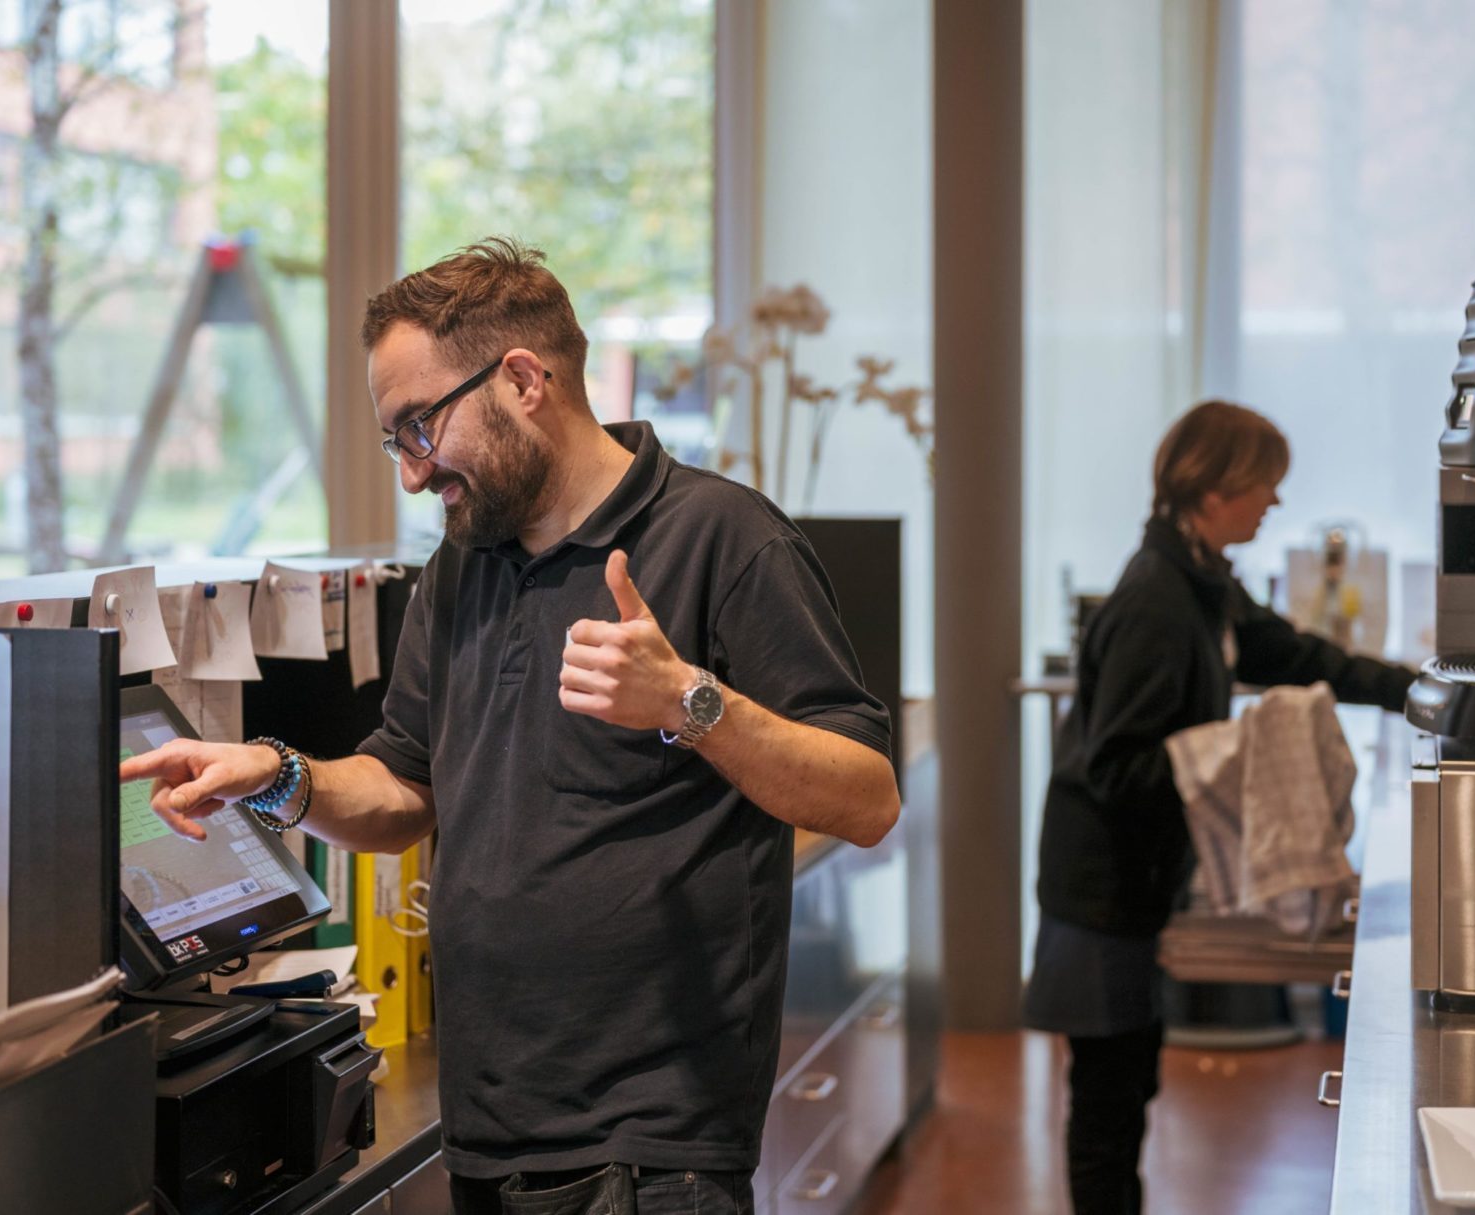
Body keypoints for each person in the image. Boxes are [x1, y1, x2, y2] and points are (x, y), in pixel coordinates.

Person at [120, 237, 900, 1215]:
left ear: (524, 380)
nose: (411, 475)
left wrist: (693, 705)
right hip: (490, 1128)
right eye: (392, 442)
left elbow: (868, 798)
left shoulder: (725, 541)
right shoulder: (463, 568)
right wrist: (275, 777)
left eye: (418, 428)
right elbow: (405, 787)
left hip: (655, 1151)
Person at [1021, 400, 1415, 1215]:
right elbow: (1119, 767)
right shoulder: (1157, 603)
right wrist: (1231, 762)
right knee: (1108, 1100)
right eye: (1265, 483)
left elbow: (1291, 652)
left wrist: (1408, 688)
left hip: (1131, 885)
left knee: (1129, 1079)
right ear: (1215, 485)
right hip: (1098, 892)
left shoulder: (1202, 578)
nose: (1274, 501)